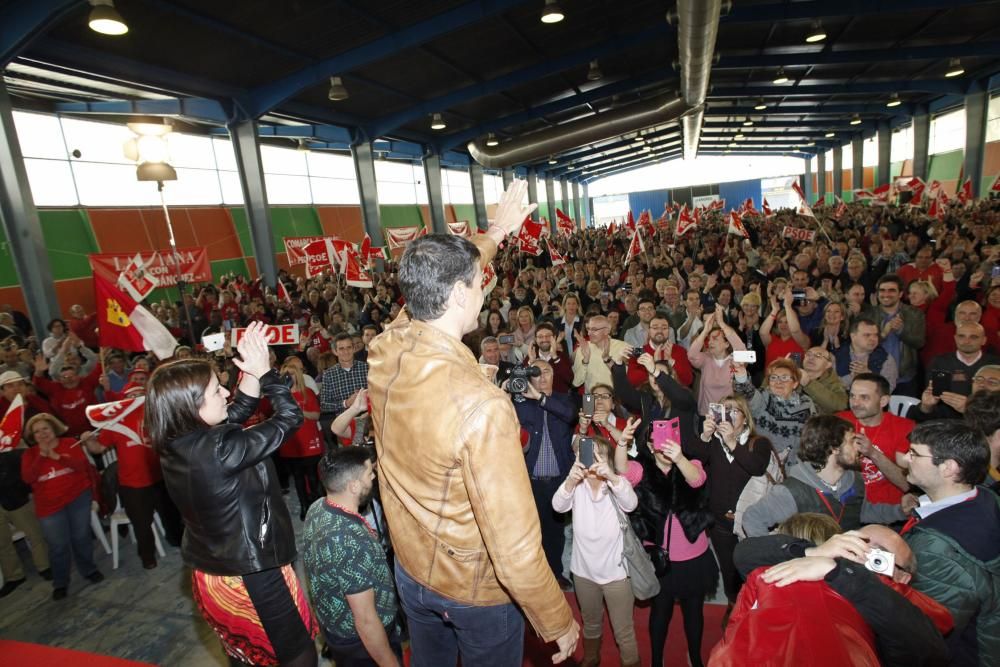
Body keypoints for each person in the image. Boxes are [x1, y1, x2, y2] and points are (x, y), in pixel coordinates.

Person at [366, 182, 578, 667]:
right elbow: (514, 543)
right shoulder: (483, 406)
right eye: (479, 281)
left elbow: (426, 294)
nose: (486, 287)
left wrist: (497, 233)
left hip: (412, 572)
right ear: (462, 292)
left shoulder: (386, 347)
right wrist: (555, 618)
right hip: (474, 589)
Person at [146, 322, 317, 667]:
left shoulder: (175, 442)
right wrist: (268, 373)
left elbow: (233, 416)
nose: (225, 393)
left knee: (247, 654)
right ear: (190, 406)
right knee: (298, 656)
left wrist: (250, 373)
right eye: (215, 391)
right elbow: (289, 417)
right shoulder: (219, 448)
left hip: (211, 571)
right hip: (252, 573)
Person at [712, 523, 952, 666]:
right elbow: (744, 555)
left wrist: (842, 574)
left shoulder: (896, 604)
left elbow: (927, 648)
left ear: (904, 577)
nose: (866, 555)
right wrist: (813, 551)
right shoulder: (816, 564)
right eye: (859, 543)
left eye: (880, 556)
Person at [901, 420, 1000, 666]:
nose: (905, 458)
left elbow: (925, 635)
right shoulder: (986, 497)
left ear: (948, 468)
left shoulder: (936, 548)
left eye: (914, 453)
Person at [303, 448, 403, 667]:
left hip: (336, 628)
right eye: (369, 473)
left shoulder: (317, 507)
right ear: (354, 486)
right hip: (362, 643)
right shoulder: (348, 540)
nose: (374, 477)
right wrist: (389, 662)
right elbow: (366, 620)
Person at [625, 427, 716, 667]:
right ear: (649, 444)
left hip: (693, 555)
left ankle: (695, 657)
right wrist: (622, 444)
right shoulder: (641, 468)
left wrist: (679, 458)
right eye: (657, 439)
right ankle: (657, 660)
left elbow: (697, 479)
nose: (664, 444)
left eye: (670, 438)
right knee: (660, 613)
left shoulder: (689, 462)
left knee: (694, 612)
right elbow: (623, 473)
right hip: (660, 558)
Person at [552, 433, 641, 667]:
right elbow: (557, 506)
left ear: (606, 458)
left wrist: (611, 475)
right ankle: (591, 659)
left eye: (597, 454)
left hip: (616, 575)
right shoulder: (576, 485)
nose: (591, 458)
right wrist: (570, 481)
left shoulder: (616, 484)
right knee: (591, 623)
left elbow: (631, 504)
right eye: (585, 453)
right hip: (583, 573)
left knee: (623, 630)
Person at [742, 415, 912, 537]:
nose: (859, 447)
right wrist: (777, 559)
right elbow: (752, 518)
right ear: (834, 447)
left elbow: (861, 511)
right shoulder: (792, 491)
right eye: (852, 441)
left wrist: (900, 511)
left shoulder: (856, 480)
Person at [688, 394, 772, 623]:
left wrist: (732, 442)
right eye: (723, 410)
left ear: (745, 419)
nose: (727, 415)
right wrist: (705, 434)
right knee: (728, 567)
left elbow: (756, 467)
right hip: (720, 521)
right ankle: (733, 603)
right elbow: (694, 457)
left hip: (751, 521)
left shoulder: (759, 442)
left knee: (753, 566)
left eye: (734, 411)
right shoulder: (714, 441)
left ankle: (756, 606)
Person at [20, 413, 103, 600]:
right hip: (49, 507)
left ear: (54, 429)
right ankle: (60, 582)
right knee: (58, 546)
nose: (42, 434)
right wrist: (42, 456)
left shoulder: (69, 444)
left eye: (45, 429)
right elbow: (28, 478)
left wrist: (56, 456)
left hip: (77, 498)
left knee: (81, 537)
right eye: (37, 431)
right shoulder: (29, 454)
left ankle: (89, 570)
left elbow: (81, 466)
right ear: (32, 436)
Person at [512, 359, 577, 590]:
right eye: (536, 373)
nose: (541, 377)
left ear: (553, 375)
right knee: (531, 531)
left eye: (546, 371)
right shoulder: (521, 403)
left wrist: (541, 399)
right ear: (529, 377)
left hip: (559, 479)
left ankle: (555, 573)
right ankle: (534, 578)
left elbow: (570, 416)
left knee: (556, 532)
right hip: (530, 480)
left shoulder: (563, 399)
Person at [836, 373, 913, 506]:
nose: (855, 403)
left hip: (888, 510)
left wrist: (872, 453)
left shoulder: (904, 427)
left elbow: (906, 484)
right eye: (852, 396)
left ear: (883, 401)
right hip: (846, 506)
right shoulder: (838, 421)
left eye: (864, 397)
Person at [733, 358, 815, 465]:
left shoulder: (806, 404)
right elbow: (748, 393)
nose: (778, 382)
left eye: (784, 378)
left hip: (796, 465)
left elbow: (813, 437)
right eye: (773, 378)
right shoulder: (763, 398)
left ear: (795, 384)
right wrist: (741, 376)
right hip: (763, 462)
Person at [279, 360, 325, 520]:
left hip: (309, 441)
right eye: (285, 374)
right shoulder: (282, 397)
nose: (289, 377)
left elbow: (316, 415)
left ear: (297, 375)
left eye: (291, 373)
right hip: (291, 442)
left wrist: (300, 411)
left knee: (313, 476)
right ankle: (304, 506)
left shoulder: (308, 393)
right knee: (298, 478)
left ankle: (317, 505)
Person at [835, 317, 899, 392]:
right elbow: (831, 387)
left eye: (875, 335)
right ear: (853, 336)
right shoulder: (835, 356)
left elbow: (888, 389)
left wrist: (869, 375)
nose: (873, 339)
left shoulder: (886, 358)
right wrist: (853, 377)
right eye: (867, 335)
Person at [572, 314, 629, 392]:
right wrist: (585, 361)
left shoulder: (623, 347)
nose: (589, 333)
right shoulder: (583, 348)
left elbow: (625, 379)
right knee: (587, 404)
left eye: (594, 329)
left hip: (614, 398)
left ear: (607, 330)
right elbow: (576, 383)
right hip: (589, 396)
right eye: (588, 329)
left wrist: (607, 358)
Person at [798, 345, 848, 414]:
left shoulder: (834, 382)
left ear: (828, 365)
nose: (811, 358)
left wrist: (809, 383)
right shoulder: (794, 375)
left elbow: (841, 406)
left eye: (818, 356)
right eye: (808, 354)